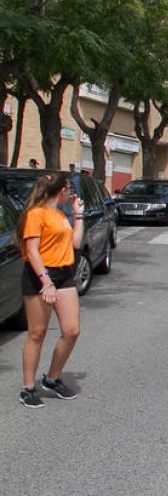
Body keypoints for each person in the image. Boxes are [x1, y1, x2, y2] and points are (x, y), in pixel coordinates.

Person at [17, 173, 85, 408]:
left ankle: (52, 379)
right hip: (40, 275)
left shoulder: (59, 214)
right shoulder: (36, 214)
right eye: (69, 189)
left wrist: (78, 215)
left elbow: (75, 244)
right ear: (61, 190)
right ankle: (28, 388)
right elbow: (32, 251)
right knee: (37, 333)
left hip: (64, 275)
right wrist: (46, 282)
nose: (70, 193)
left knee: (72, 330)